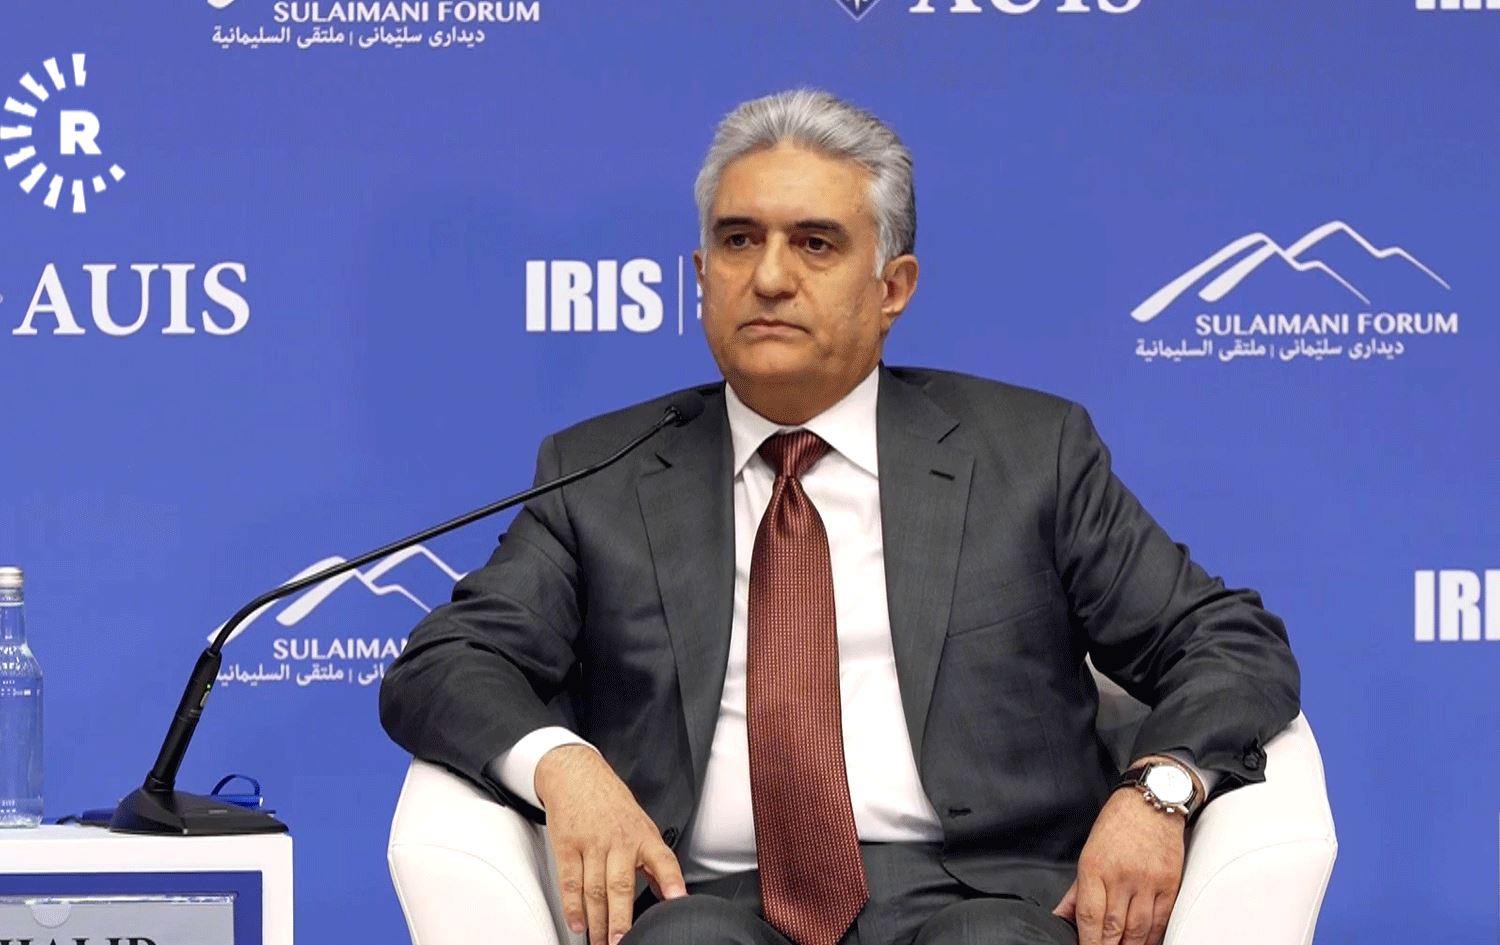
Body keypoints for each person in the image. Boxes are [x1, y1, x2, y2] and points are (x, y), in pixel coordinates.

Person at [379, 89, 1299, 945]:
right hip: (709, 901)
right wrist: (563, 764)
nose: (770, 276)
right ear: (701, 274)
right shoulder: (601, 473)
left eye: (815, 243)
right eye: (738, 241)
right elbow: (446, 664)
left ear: (893, 285)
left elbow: (1227, 642)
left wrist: (1160, 786)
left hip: (981, 897)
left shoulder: (1030, 454)